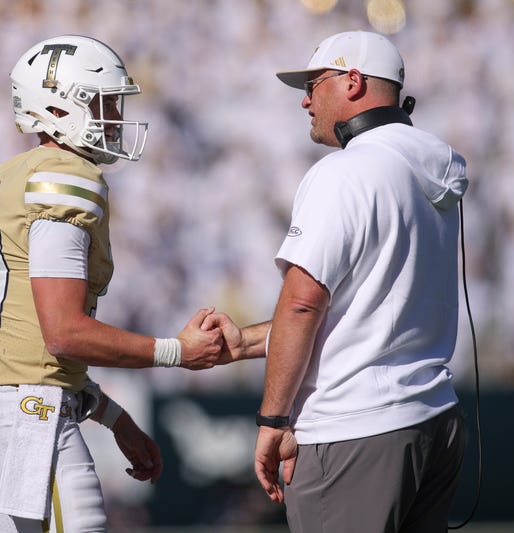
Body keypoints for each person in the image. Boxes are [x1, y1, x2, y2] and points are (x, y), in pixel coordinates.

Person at [0, 35, 223, 533]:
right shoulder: (64, 174)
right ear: (57, 107)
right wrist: (176, 352)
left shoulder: (10, 174)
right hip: (27, 417)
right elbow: (63, 332)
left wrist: (113, 416)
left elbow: (31, 339)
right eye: (102, 103)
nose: (114, 118)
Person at [203, 31, 470, 532]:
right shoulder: (434, 167)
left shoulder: (345, 171)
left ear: (352, 82)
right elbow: (362, 310)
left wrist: (272, 421)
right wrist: (243, 344)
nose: (305, 100)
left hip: (355, 429)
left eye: (313, 83)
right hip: (433, 419)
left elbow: (303, 305)